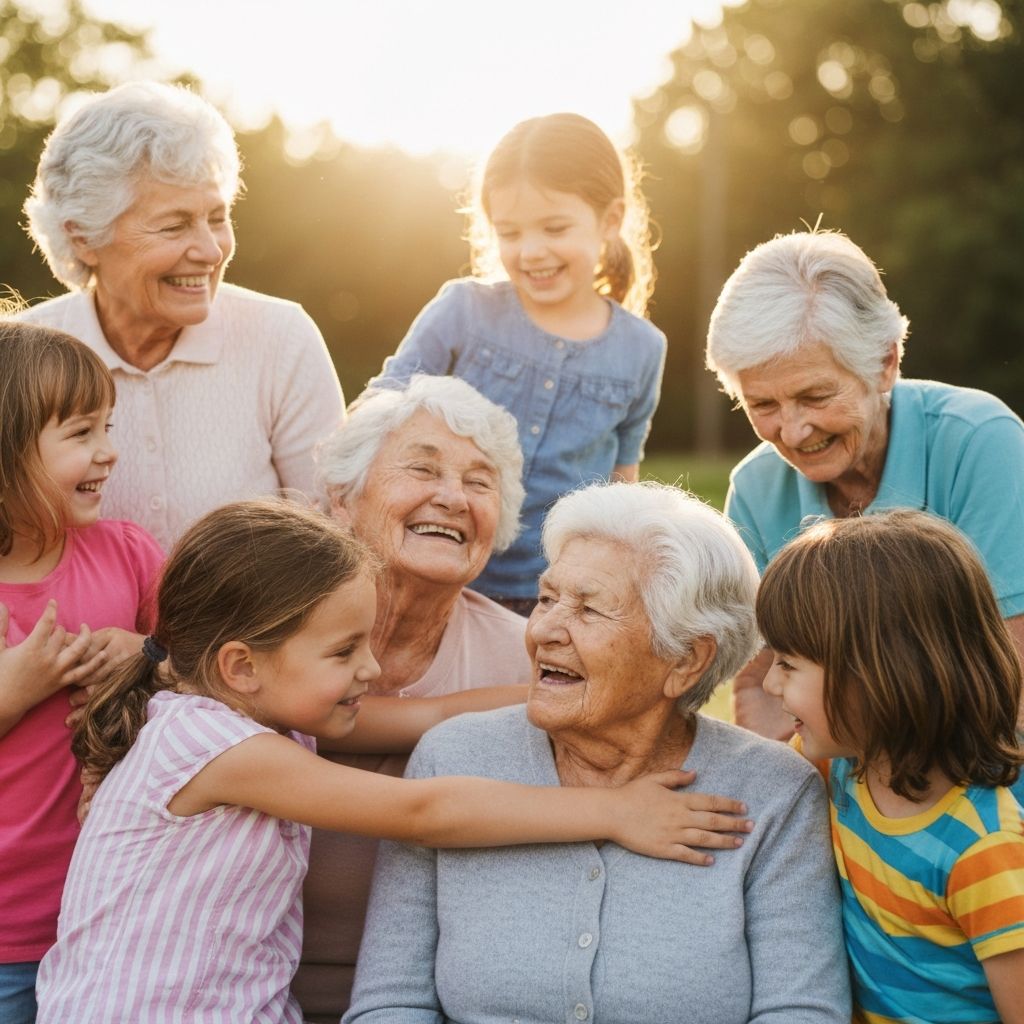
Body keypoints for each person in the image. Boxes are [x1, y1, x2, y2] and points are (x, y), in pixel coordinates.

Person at [35, 498, 751, 1024]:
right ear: (241, 666)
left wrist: (593, 690)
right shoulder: (209, 746)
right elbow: (423, 810)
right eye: (344, 651)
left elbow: (433, 713)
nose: (372, 669)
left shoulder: (273, 718)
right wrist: (614, 811)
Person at [296, 375, 748, 1020]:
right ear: (342, 498)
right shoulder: (273, 640)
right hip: (241, 985)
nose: (453, 497)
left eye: (480, 483)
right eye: (423, 468)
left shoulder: (548, 658)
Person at [345, 482, 851, 1024]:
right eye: (546, 598)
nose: (543, 631)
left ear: (686, 660)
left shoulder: (772, 791)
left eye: (588, 610)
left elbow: (801, 1011)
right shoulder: (455, 758)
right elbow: (389, 1003)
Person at [705, 229, 1024, 741]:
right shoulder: (757, 487)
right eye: (762, 405)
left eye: (814, 395)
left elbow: (1012, 677)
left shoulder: (979, 442)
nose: (791, 431)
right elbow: (760, 685)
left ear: (885, 364)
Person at [19, 81, 343, 551]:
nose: (211, 251)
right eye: (174, 225)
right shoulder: (20, 355)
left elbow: (332, 540)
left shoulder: (282, 337)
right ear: (84, 237)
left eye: (217, 217)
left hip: (249, 626)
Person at [370, 113, 666, 613]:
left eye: (554, 227)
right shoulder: (463, 311)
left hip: (552, 595)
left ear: (610, 220)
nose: (531, 251)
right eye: (509, 232)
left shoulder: (641, 348)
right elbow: (376, 413)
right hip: (428, 575)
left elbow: (622, 483)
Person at [757, 511, 1024, 1024]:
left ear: (877, 677)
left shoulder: (983, 851)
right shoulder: (840, 770)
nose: (770, 684)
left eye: (788, 664)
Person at [0, 321, 164, 1024]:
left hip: (109, 912)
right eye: (81, 433)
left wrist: (145, 655)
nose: (109, 451)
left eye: (108, 426)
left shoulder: (126, 555)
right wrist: (17, 687)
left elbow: (212, 669)